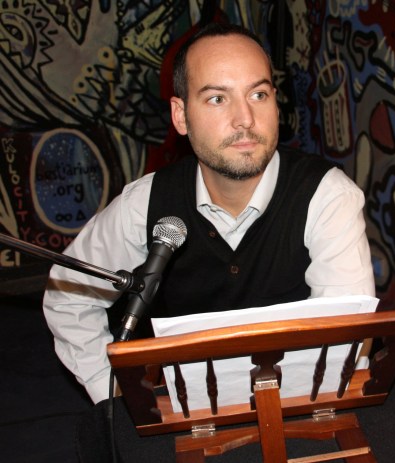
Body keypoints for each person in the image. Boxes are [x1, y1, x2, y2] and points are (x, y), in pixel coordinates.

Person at [42, 22, 375, 405]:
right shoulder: (147, 203)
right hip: (187, 416)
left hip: (301, 409)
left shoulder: (326, 196)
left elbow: (345, 340)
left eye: (259, 94)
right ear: (181, 116)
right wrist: (116, 394)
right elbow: (67, 295)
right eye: (218, 98)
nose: (245, 118)